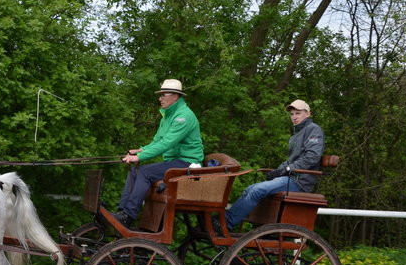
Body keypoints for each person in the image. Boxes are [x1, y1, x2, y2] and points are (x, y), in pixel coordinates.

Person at [112, 79, 204, 228]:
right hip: (174, 161)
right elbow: (158, 141)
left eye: (163, 95)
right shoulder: (167, 115)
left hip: (187, 163)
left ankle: (128, 216)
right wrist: (142, 150)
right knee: (135, 171)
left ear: (175, 96)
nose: (159, 98)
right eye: (160, 95)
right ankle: (121, 212)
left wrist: (139, 157)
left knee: (144, 172)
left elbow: (167, 143)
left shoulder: (183, 117)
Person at [222, 99, 324, 231]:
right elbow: (291, 160)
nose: (294, 117)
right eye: (292, 114)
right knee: (249, 189)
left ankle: (226, 224)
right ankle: (224, 220)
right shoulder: (295, 135)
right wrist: (278, 170)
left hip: (300, 181)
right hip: (290, 177)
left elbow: (312, 157)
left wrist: (287, 169)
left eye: (298, 113)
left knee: (257, 191)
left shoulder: (313, 129)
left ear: (307, 114)